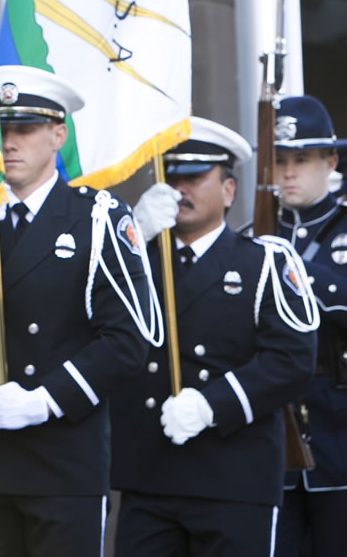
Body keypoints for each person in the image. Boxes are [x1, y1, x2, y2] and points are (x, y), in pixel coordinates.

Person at [0, 65, 160, 557]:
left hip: (61, 459)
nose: (9, 141)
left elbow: (127, 339)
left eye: (25, 128)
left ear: (58, 134)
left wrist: (47, 398)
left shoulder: (96, 218)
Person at [111, 117, 318, 556]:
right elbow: (82, 315)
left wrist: (212, 404)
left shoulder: (263, 263)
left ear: (228, 191)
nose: (179, 190)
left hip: (232, 474)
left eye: (194, 178)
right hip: (150, 472)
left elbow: (292, 359)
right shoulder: (135, 260)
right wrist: (130, 235)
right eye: (171, 177)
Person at [268, 96, 347, 557]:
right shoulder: (253, 237)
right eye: (279, 161)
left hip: (339, 434)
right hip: (275, 443)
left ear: (330, 161)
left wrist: (294, 267)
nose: (289, 172)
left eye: (302, 159)